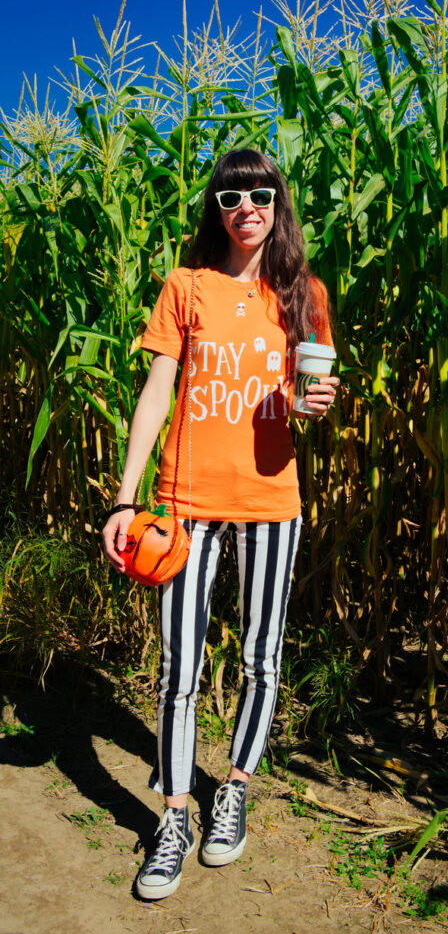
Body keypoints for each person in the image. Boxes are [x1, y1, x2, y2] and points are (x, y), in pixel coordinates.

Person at [101, 148, 339, 900]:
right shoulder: (186, 286)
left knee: (263, 657)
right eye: (230, 193)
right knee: (179, 668)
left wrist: (316, 407)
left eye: (259, 192)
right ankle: (174, 815)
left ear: (276, 201)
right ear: (216, 206)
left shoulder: (304, 293)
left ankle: (232, 786)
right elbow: (155, 394)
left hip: (272, 500)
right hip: (187, 503)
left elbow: (313, 394)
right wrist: (123, 497)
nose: (246, 205)